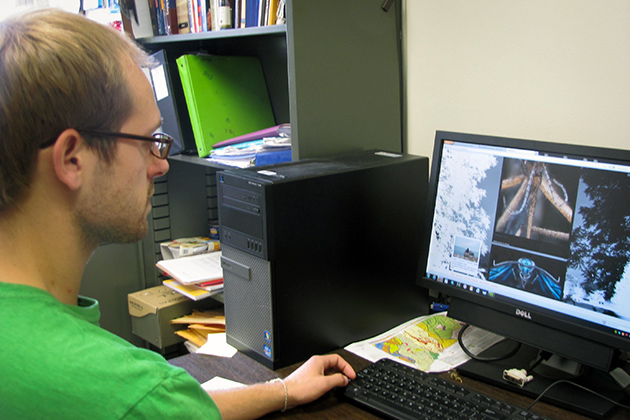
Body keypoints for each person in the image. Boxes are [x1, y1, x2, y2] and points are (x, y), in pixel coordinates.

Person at [0, 8, 355, 419]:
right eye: (148, 140)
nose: (161, 163)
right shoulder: (125, 390)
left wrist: (283, 391)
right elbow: (149, 403)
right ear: (72, 159)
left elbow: (170, 408)